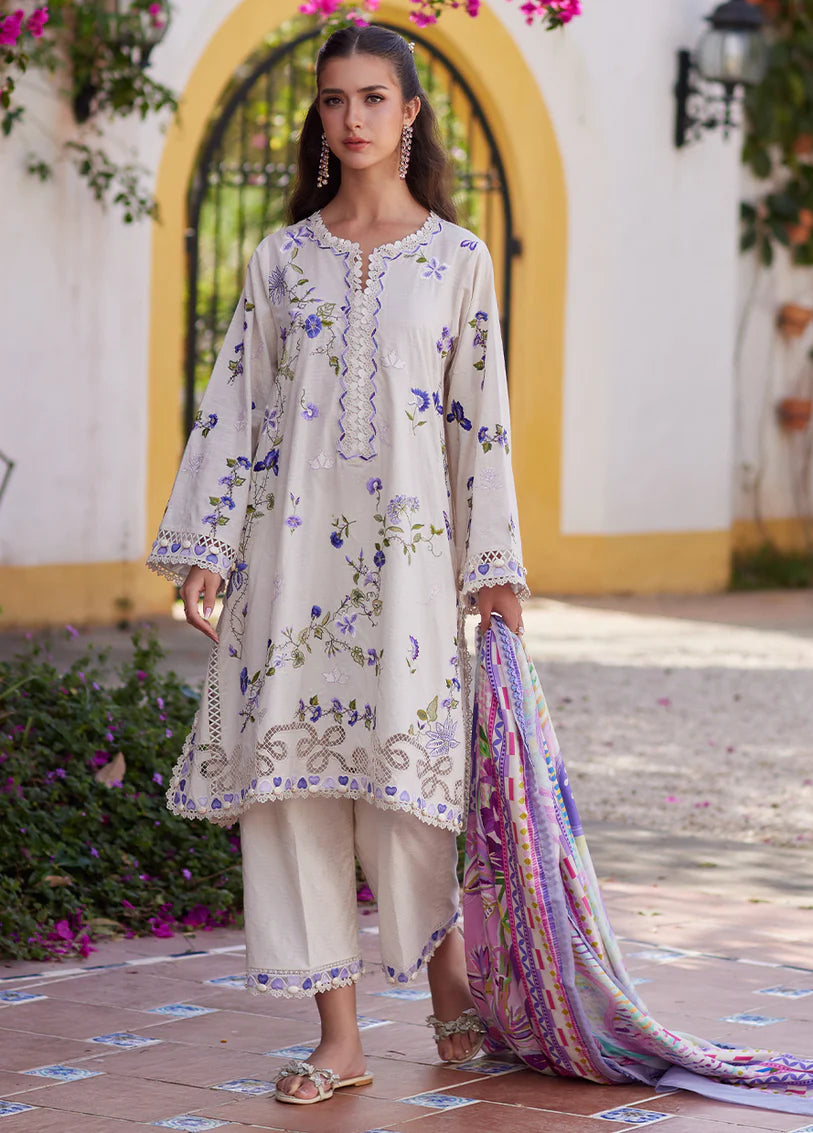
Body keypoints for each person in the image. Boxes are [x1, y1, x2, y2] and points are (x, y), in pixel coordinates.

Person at [147, 23, 528, 1105]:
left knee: (410, 784)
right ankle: (340, 1036)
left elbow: (480, 426)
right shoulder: (281, 260)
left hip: (409, 566)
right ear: (318, 117)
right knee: (291, 789)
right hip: (289, 563)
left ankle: (447, 978)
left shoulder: (456, 261)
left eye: (371, 97)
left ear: (409, 113)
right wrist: (208, 543)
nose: (351, 117)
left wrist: (493, 568)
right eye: (332, 99)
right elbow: (234, 406)